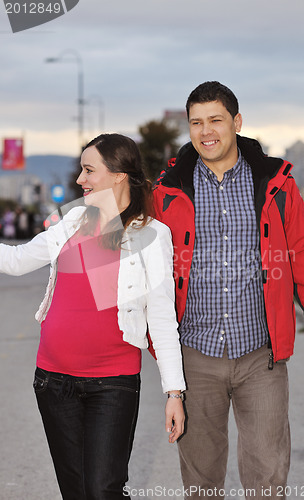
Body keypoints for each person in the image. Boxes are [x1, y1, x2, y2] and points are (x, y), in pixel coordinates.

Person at [153, 81, 304, 499]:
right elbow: (143, 264)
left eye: (215, 119)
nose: (205, 131)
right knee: (200, 482)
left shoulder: (276, 183)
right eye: (196, 122)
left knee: (268, 478)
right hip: (194, 357)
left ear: (236, 122)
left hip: (261, 356)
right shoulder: (167, 191)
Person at [0, 133, 185, 500]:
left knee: (103, 489)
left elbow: (162, 317)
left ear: (118, 175)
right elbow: (17, 261)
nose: (80, 180)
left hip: (112, 384)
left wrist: (174, 392)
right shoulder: (72, 223)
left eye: (89, 170)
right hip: (52, 382)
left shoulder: (151, 234)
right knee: (76, 491)